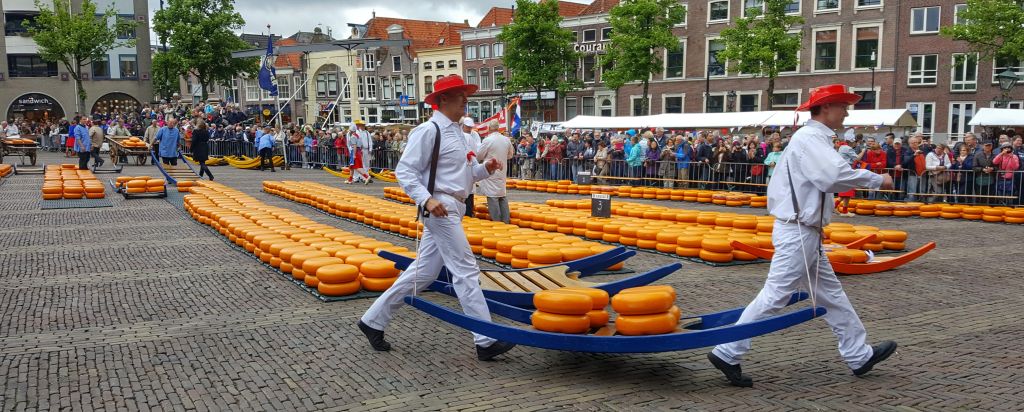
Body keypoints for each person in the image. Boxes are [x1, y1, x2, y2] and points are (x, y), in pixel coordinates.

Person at [708, 84, 896, 388]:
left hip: (803, 230)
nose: (847, 113)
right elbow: (833, 176)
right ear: (826, 108)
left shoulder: (813, 138)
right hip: (798, 231)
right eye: (843, 106)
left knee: (831, 295)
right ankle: (728, 350)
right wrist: (878, 179)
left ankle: (858, 354)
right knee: (775, 295)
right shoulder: (810, 139)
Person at [358, 74, 516, 361]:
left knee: (424, 273)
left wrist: (486, 168)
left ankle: (372, 320)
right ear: (443, 99)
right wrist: (427, 200)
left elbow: (467, 173)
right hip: (440, 207)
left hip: (453, 205)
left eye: (465, 95)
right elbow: (405, 171)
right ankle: (485, 339)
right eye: (460, 95)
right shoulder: (428, 130)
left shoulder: (460, 133)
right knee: (465, 268)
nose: (466, 100)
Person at [477, 120, 514, 223]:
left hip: (490, 170)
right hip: (502, 170)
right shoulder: (506, 140)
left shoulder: (487, 140)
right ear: (498, 128)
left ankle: (497, 222)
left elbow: (479, 156)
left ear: (489, 128)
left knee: (492, 197)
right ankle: (506, 220)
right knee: (502, 195)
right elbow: (510, 155)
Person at [461, 117, 480, 217]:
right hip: (460, 169)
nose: (469, 129)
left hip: (470, 166)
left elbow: (476, 151)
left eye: (470, 127)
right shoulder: (459, 134)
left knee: (469, 193)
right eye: (467, 127)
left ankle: (468, 213)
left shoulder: (474, 135)